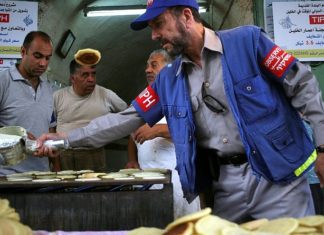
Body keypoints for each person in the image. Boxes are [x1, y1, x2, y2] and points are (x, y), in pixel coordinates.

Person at [36, 0, 324, 223]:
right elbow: (125, 119)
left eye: (159, 24)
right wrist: (64, 140)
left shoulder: (248, 42)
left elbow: (303, 85)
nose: (154, 35)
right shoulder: (168, 79)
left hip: (278, 179)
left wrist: (323, 148)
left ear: (186, 15)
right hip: (225, 186)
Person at [125, 49, 200, 219]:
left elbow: (193, 131)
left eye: (154, 65)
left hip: (176, 182)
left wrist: (158, 130)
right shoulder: (144, 99)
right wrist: (132, 159)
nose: (147, 70)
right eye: (147, 66)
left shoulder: (184, 94)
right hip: (146, 181)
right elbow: (131, 134)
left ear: (170, 68)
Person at [54, 53, 128, 172]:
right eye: (85, 75)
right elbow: (50, 129)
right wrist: (56, 165)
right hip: (64, 156)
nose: (91, 79)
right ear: (73, 78)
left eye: (93, 74)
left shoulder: (106, 95)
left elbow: (129, 115)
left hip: (94, 156)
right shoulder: (58, 97)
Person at [0, 31, 59, 175]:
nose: (43, 63)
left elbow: (51, 130)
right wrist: (15, 136)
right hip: (7, 176)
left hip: (42, 175)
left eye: (47, 58)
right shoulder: (3, 81)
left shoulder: (49, 88)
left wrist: (56, 168)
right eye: (37, 56)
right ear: (23, 51)